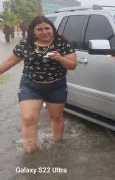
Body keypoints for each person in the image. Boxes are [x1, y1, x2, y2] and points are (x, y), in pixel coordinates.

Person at [0, 16, 77, 152]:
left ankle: (57, 148)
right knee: (28, 118)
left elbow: (72, 65)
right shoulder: (25, 44)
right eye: (39, 29)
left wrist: (60, 58)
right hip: (30, 86)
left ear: (52, 29)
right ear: (33, 31)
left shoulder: (62, 43)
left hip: (56, 86)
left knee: (56, 117)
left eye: (47, 28)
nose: (44, 32)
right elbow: (10, 62)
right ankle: (29, 153)